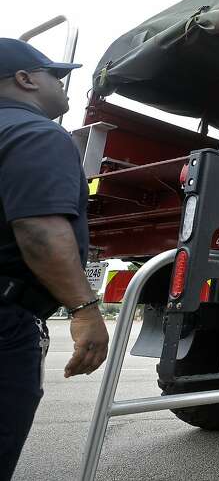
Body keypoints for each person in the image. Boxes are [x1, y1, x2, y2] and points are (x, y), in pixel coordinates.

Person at [0, 39, 109, 481]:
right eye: (56, 76)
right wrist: (84, 309)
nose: (65, 85)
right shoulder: (36, 134)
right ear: (25, 79)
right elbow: (40, 229)